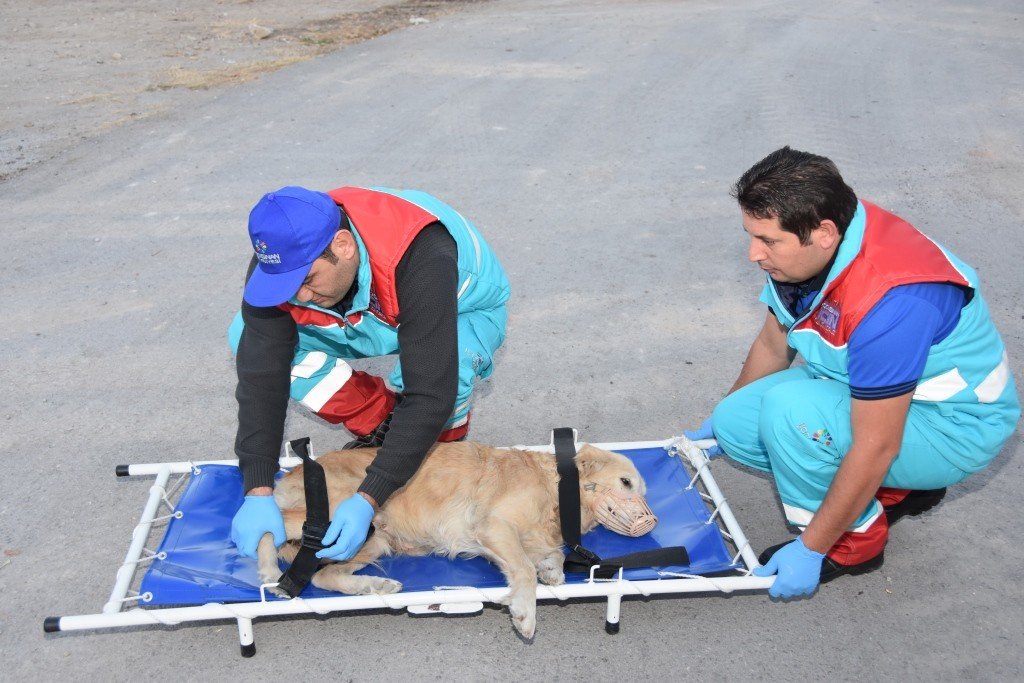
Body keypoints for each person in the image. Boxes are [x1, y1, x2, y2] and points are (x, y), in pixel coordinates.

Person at [685, 147, 1019, 600]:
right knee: (735, 423)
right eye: (751, 236)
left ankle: (853, 542)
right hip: (878, 392)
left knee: (792, 415)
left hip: (953, 426)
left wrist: (811, 548)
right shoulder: (819, 242)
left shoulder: (894, 302)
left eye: (768, 241)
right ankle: (897, 489)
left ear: (823, 233)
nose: (753, 254)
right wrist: (720, 416)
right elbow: (773, 343)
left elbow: (877, 443)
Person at [227, 185, 510, 563]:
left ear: (343, 245)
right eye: (289, 285)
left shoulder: (422, 253)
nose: (300, 297)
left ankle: (438, 455)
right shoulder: (284, 257)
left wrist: (368, 497)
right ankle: (381, 421)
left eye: (307, 280)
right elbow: (262, 379)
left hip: (453, 307)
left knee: (444, 373)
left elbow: (430, 394)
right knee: (248, 338)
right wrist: (258, 489)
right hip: (365, 315)